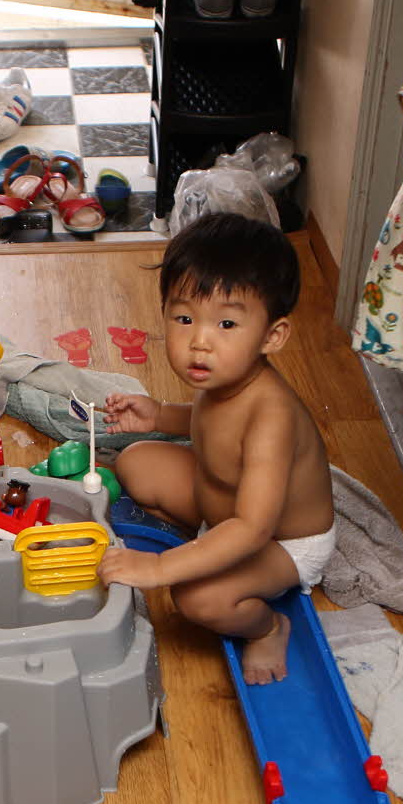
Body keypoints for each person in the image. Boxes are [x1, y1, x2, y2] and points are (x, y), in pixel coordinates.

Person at [99, 213, 335, 685]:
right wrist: (158, 415)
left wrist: (161, 566)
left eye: (227, 323)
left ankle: (269, 628)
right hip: (224, 508)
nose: (200, 342)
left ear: (272, 336)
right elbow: (209, 422)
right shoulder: (225, 375)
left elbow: (253, 527)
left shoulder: (271, 414)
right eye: (184, 318)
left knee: (198, 598)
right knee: (136, 460)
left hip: (277, 540)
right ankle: (205, 542)